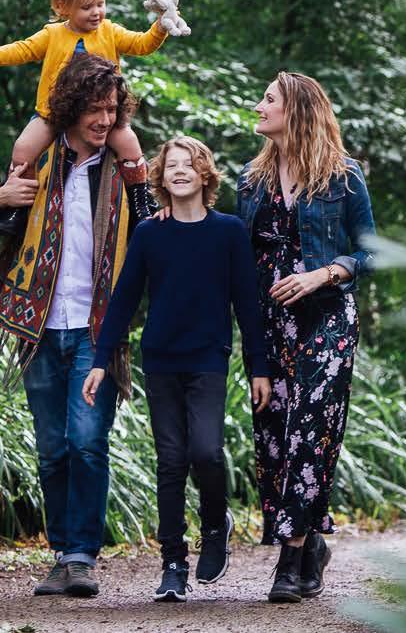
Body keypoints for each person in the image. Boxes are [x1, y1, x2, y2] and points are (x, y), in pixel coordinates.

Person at [0, 53, 157, 599]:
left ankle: (81, 556)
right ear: (72, 108)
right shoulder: (39, 160)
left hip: (98, 330)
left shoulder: (121, 169)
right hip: (39, 328)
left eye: (112, 109)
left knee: (86, 442)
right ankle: (62, 553)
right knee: (52, 447)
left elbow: (152, 231)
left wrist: (140, 176)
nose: (104, 119)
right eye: (95, 109)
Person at [83, 136, 272, 602]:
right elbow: (124, 299)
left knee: (206, 452)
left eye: (189, 164)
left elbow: (247, 305)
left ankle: (215, 526)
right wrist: (100, 361)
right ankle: (173, 564)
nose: (181, 171)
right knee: (170, 462)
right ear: (161, 179)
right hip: (161, 361)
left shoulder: (228, 232)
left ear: (205, 174)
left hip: (208, 359)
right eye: (172, 166)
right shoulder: (150, 233)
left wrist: (259, 368)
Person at [237, 72, 376, 603]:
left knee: (309, 430)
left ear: (296, 110)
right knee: (274, 435)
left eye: (268, 99)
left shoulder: (344, 177)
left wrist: (325, 273)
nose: (259, 106)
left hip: (327, 319)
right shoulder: (251, 181)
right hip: (270, 324)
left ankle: (290, 558)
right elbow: (238, 256)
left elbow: (371, 251)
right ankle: (312, 542)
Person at [0, 0, 179, 213]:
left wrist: (160, 27)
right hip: (54, 111)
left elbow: (141, 44)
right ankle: (18, 209)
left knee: (129, 143)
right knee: (23, 148)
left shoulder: (110, 31)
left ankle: (141, 204)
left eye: (100, 4)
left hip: (100, 111)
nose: (96, 12)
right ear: (62, 7)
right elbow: (23, 49)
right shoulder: (53, 34)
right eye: (87, 7)